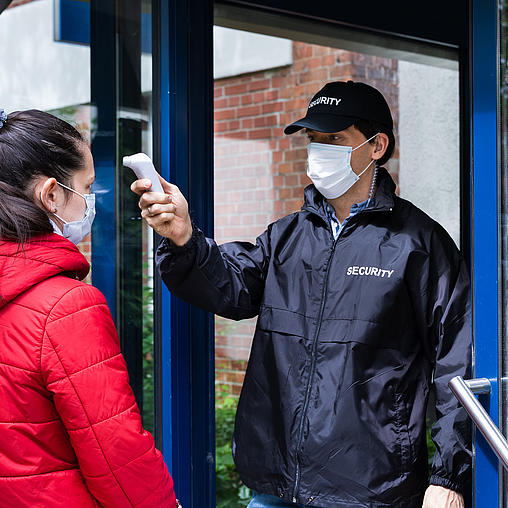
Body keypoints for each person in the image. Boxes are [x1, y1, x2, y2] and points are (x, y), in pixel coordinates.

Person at [132, 81, 471, 508]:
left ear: (376, 146)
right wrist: (183, 237)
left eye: (334, 139)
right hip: (276, 486)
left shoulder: (419, 245)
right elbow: (228, 287)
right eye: (313, 140)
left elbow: (457, 365)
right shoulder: (286, 236)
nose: (319, 152)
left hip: (371, 490)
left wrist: (449, 476)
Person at [0, 109, 178, 507]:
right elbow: (115, 446)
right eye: (87, 186)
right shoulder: (65, 307)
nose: (92, 202)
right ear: (50, 194)